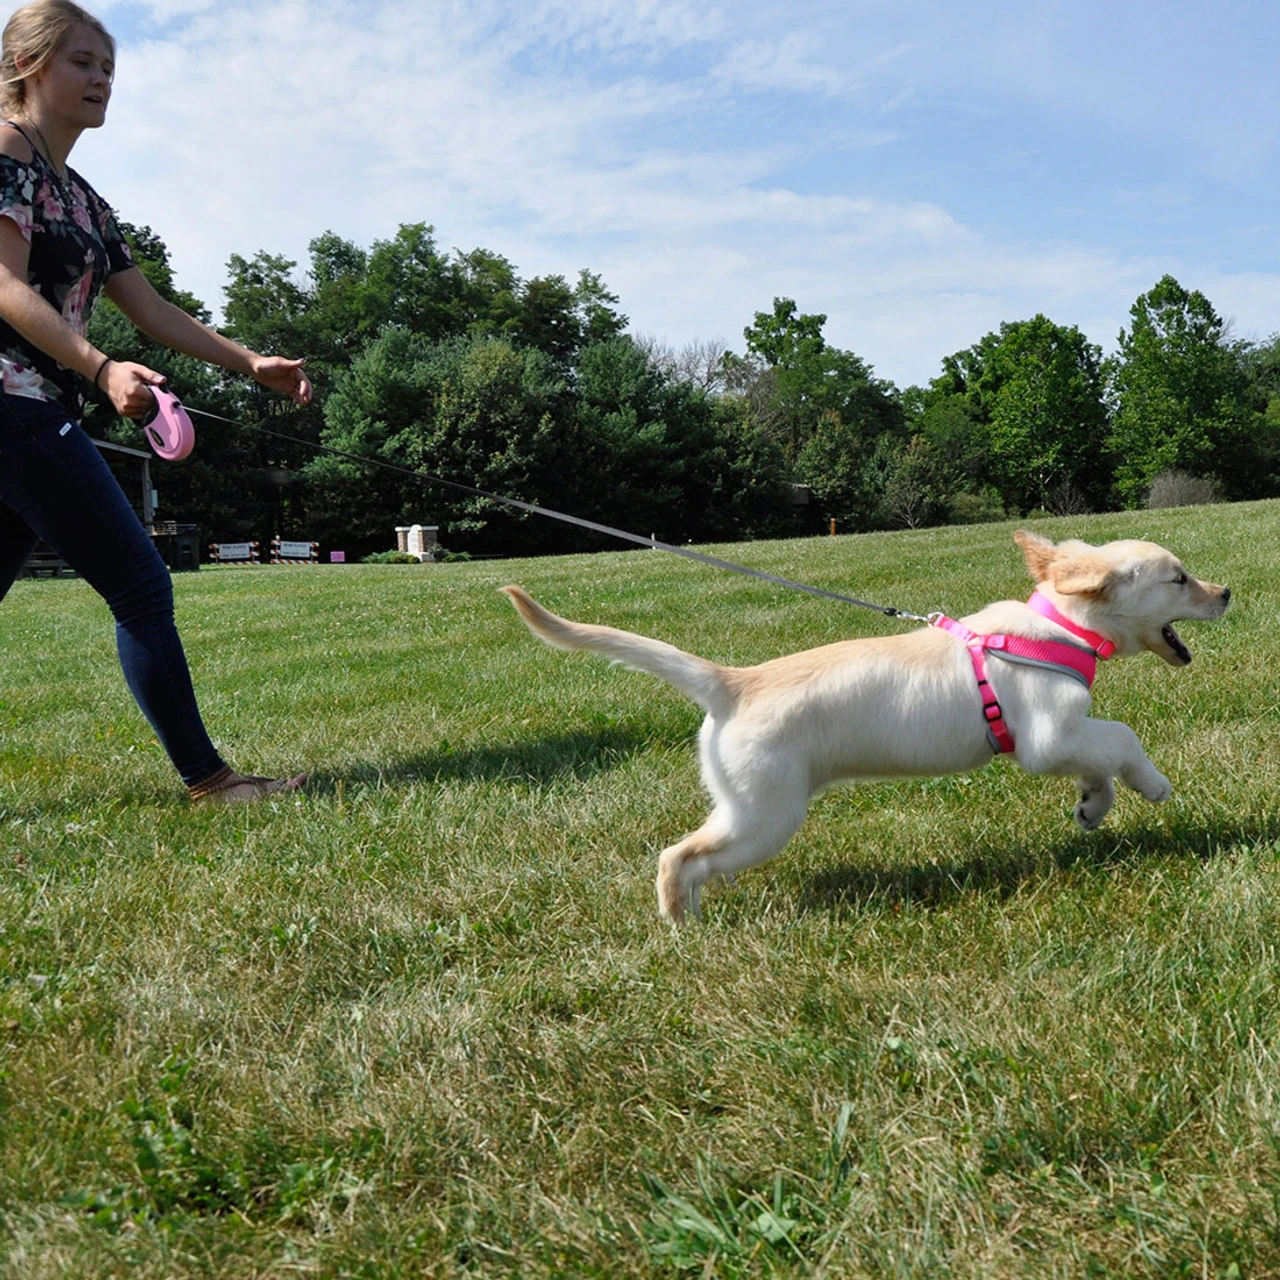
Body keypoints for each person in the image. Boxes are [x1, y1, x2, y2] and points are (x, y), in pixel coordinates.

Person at [0, 0, 309, 804]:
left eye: (109, 67)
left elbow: (152, 309)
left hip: (30, 408)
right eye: (83, 62)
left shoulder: (86, 200)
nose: (102, 79)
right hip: (14, 404)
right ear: (29, 66)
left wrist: (251, 363)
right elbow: (1, 286)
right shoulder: (4, 154)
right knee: (140, 584)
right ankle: (210, 781)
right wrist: (101, 368)